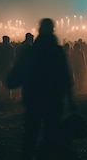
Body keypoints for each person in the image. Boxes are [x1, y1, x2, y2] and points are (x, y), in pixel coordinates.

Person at [7, 18, 76, 160]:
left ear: (38, 30)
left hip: (33, 100)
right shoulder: (58, 51)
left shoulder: (30, 51)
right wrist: (70, 100)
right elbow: (66, 78)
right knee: (52, 136)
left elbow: (14, 78)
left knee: (30, 137)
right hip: (55, 100)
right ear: (53, 31)